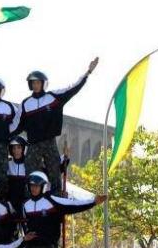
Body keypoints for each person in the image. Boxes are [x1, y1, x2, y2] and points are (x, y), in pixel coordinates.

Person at [17, 58, 98, 194]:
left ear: (43, 83)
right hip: (33, 144)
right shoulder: (25, 103)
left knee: (54, 170)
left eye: (38, 82)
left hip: (49, 141)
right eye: (33, 83)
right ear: (30, 85)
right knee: (30, 171)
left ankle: (56, 197)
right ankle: (29, 198)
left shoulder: (54, 97)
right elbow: (16, 125)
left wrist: (88, 72)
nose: (36, 85)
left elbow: (73, 88)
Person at [5, 136, 29, 213]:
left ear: (23, 149)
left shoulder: (29, 164)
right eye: (14, 148)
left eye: (18, 148)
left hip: (25, 197)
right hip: (11, 197)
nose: (16, 151)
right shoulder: (8, 163)